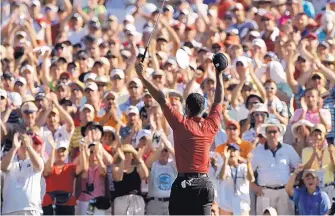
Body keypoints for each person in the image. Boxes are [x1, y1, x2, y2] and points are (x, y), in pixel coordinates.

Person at [134, 52, 224, 214]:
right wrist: (219, 74)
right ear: (204, 109)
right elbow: (218, 100)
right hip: (204, 184)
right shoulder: (210, 125)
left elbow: (161, 98)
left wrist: (143, 77)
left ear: (187, 109)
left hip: (184, 184)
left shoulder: (182, 124)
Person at [251, 118, 300, 215]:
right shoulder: (257, 151)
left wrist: (292, 185)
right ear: (265, 134)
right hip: (265, 192)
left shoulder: (288, 149)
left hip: (284, 192)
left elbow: (299, 168)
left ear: (279, 133)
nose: (272, 134)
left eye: (274, 131)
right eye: (269, 132)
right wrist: (254, 187)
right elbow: (246, 172)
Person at [1, 133, 44, 215]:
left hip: (32, 210)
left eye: (27, 143)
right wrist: (14, 147)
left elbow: (38, 165)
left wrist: (28, 145)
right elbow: (3, 167)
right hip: (9, 211)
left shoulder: (37, 160)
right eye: (22, 144)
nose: (24, 145)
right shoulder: (11, 160)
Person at [217, 144, 254, 215]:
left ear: (239, 153)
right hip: (226, 206)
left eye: (234, 150)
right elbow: (222, 177)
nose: (231, 153)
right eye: (229, 151)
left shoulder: (243, 167)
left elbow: (251, 178)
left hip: (242, 204)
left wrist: (248, 163)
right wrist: (225, 160)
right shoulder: (223, 167)